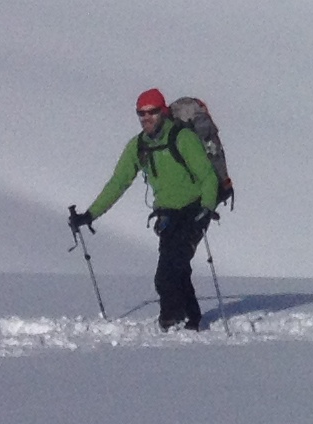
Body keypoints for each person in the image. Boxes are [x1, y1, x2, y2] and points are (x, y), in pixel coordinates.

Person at [73, 88, 222, 331]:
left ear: (162, 111)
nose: (146, 119)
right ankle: (192, 319)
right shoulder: (138, 146)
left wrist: (206, 208)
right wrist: (90, 214)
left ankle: (171, 320)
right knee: (177, 267)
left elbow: (208, 177)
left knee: (167, 273)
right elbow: (118, 182)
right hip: (167, 214)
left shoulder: (182, 138)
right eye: (141, 114)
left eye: (151, 113)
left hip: (195, 210)